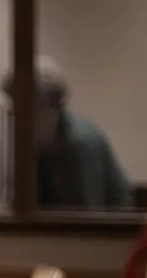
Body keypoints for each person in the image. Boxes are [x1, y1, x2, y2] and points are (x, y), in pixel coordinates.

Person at [10, 55, 134, 209]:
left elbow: (88, 218)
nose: (19, 122)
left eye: (28, 112)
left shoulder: (82, 144)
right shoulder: (36, 144)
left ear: (52, 110)